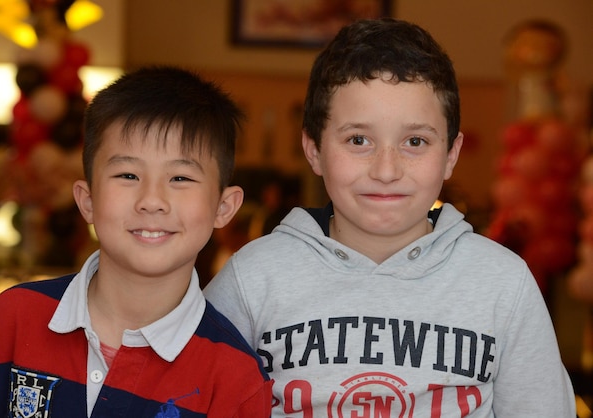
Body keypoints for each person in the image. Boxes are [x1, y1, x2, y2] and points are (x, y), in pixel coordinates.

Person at [204, 17, 576, 417]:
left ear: (451, 154)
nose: (386, 170)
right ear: (313, 149)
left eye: (415, 141)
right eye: (358, 140)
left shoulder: (504, 284)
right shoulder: (252, 279)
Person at [0, 66, 272, 417]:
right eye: (128, 174)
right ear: (87, 200)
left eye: (180, 177)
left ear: (224, 207)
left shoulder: (236, 377)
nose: (152, 199)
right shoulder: (13, 319)